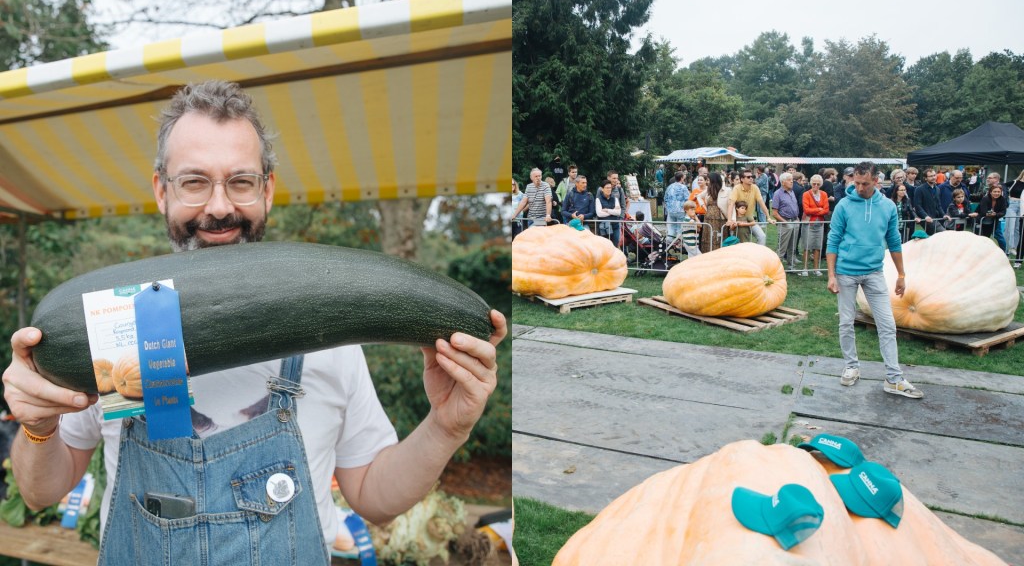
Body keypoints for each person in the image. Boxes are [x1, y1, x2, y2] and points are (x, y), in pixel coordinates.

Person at [2, 80, 507, 563]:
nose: (219, 208)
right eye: (195, 182)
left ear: (267, 191)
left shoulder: (328, 328)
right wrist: (40, 427)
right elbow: (40, 491)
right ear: (162, 191)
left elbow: (373, 498)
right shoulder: (115, 325)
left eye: (240, 182)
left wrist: (446, 426)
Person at [826, 161, 922, 399]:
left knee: (888, 325)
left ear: (876, 181)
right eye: (856, 183)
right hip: (845, 271)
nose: (859, 187)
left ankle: (894, 378)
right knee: (846, 322)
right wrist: (831, 275)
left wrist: (901, 275)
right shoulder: (844, 205)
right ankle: (851, 366)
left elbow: (894, 240)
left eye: (864, 183)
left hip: (874, 272)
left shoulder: (887, 206)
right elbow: (833, 240)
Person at [727, 168, 775, 246]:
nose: (751, 178)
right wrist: (729, 220)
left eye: (752, 176)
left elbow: (762, 203)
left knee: (762, 237)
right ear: (742, 179)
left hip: (750, 220)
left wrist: (768, 217)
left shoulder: (755, 187)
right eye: (748, 177)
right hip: (738, 221)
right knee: (738, 243)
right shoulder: (737, 188)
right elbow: (731, 204)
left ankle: (756, 256)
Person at [801, 174, 829, 277]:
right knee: (807, 246)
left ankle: (816, 268)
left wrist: (816, 211)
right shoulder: (806, 194)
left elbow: (826, 210)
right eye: (814, 183)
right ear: (811, 183)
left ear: (821, 184)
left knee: (818, 247)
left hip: (820, 224)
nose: (816, 185)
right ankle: (805, 268)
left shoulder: (824, 194)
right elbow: (806, 210)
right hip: (809, 223)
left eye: (818, 184)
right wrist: (819, 209)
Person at [772, 172, 801, 271]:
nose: (792, 181)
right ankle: (776, 268)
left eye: (792, 179)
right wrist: (785, 222)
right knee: (782, 247)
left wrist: (796, 218)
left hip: (794, 221)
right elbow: (774, 213)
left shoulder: (792, 192)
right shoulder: (777, 194)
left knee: (792, 246)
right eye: (789, 179)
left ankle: (791, 266)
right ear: (783, 182)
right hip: (785, 223)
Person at [911, 168, 946, 235]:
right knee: (943, 234)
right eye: (930, 176)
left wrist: (944, 215)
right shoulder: (919, 189)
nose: (933, 177)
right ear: (925, 178)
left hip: (937, 218)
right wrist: (925, 216)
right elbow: (918, 205)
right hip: (927, 220)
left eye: (934, 175)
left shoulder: (937, 189)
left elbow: (938, 205)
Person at [703, 172, 729, 252]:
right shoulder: (708, 190)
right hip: (708, 217)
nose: (707, 181)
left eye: (708, 180)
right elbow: (699, 196)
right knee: (709, 237)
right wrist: (703, 206)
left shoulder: (723, 190)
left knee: (718, 237)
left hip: (720, 217)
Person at [976, 184, 1007, 249]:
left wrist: (995, 214)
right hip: (981, 222)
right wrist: (991, 214)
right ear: (990, 192)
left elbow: (1003, 212)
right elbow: (983, 212)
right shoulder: (985, 198)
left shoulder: (1002, 199)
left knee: (995, 238)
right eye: (995, 191)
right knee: (980, 239)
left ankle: (1004, 253)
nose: (997, 193)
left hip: (993, 222)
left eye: (998, 192)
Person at [663, 171, 691, 239]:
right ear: (681, 178)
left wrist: (668, 207)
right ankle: (678, 242)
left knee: (672, 227)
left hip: (671, 210)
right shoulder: (684, 187)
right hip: (680, 210)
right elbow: (687, 199)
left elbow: (665, 198)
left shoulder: (669, 187)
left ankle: (670, 242)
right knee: (680, 227)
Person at [596, 180, 622, 245]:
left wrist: (607, 210)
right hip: (604, 227)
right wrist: (613, 210)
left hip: (615, 226)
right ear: (602, 189)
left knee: (615, 245)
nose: (609, 189)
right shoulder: (598, 199)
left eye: (610, 188)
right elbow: (599, 214)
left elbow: (618, 212)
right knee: (605, 246)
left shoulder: (615, 199)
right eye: (607, 188)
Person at [1006, 170, 1024, 266]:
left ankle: (1014, 248)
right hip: (1012, 204)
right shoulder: (1014, 182)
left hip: (1021, 207)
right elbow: (1003, 186)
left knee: (1017, 229)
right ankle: (1008, 249)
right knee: (1010, 228)